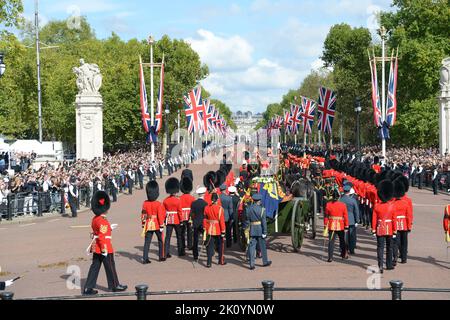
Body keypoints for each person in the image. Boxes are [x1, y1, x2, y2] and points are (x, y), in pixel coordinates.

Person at [83, 191, 127, 295]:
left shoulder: (95, 219)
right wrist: (104, 249)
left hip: (97, 247)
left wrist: (109, 228)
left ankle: (88, 288)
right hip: (104, 247)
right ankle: (115, 285)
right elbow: (102, 236)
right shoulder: (102, 220)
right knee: (110, 266)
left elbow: (98, 232)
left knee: (95, 267)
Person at [372, 180, 397, 273]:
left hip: (379, 228)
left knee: (380, 247)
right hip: (389, 228)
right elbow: (394, 220)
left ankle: (380, 266)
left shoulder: (377, 206)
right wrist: (395, 231)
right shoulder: (392, 206)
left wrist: (374, 230)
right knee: (389, 247)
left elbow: (374, 219)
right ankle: (389, 264)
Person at [243, 193, 271, 270]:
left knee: (252, 247)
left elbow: (247, 221)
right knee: (262, 247)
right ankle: (265, 262)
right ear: (259, 201)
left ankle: (252, 264)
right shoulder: (262, 209)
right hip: (260, 229)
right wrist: (265, 232)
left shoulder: (248, 209)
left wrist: (246, 229)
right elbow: (264, 222)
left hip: (252, 229)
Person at [141, 181, 166, 264]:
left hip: (148, 223)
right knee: (160, 240)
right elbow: (160, 215)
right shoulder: (158, 204)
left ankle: (145, 258)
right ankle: (161, 256)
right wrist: (162, 225)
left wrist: (143, 224)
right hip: (157, 224)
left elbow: (143, 214)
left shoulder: (145, 203)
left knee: (147, 242)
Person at [392, 179, 413, 265]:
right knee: (404, 242)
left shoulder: (393, 202)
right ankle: (404, 258)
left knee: (395, 242)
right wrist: (409, 225)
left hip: (396, 224)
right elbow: (409, 215)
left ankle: (395, 256)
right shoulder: (407, 201)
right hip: (404, 223)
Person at [324, 190, 349, 262]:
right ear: (338, 197)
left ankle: (330, 257)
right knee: (342, 241)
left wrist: (325, 224)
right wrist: (346, 225)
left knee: (331, 242)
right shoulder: (343, 205)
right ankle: (343, 254)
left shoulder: (328, 205)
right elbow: (345, 216)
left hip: (331, 225)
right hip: (340, 225)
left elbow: (326, 216)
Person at [203, 193, 226, 268]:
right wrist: (223, 231)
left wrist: (205, 228)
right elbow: (221, 221)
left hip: (209, 229)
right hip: (218, 229)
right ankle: (220, 260)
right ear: (217, 200)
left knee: (210, 247)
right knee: (220, 246)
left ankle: (209, 262)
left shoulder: (206, 208)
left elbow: (205, 219)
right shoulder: (219, 209)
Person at [163, 178, 184, 258]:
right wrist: (181, 220)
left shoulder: (165, 200)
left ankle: (166, 252)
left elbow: (163, 211)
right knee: (179, 236)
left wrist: (165, 220)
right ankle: (180, 251)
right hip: (177, 220)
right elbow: (179, 211)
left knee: (168, 237)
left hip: (168, 220)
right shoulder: (178, 200)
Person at [339, 182, 360, 255]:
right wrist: (357, 220)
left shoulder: (340, 200)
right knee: (352, 235)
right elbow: (356, 211)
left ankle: (343, 249)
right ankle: (351, 249)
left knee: (342, 236)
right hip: (351, 220)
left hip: (342, 219)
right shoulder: (353, 200)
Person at [191, 187, 208, 261]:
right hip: (203, 223)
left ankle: (195, 255)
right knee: (206, 239)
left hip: (196, 223)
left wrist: (193, 220)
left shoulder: (194, 203)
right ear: (203, 194)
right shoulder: (205, 203)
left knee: (195, 240)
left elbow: (192, 214)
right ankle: (208, 253)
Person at [179, 177, 195, 251]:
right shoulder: (192, 197)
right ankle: (190, 245)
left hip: (182, 216)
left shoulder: (180, 198)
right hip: (190, 216)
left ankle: (182, 246)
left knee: (182, 232)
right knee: (189, 231)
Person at [219, 184, 234, 248]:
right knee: (228, 231)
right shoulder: (228, 198)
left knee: (220, 231)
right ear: (225, 189)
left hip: (219, 215)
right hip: (227, 216)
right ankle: (228, 243)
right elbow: (230, 209)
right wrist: (231, 217)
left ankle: (219, 244)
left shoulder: (218, 197)